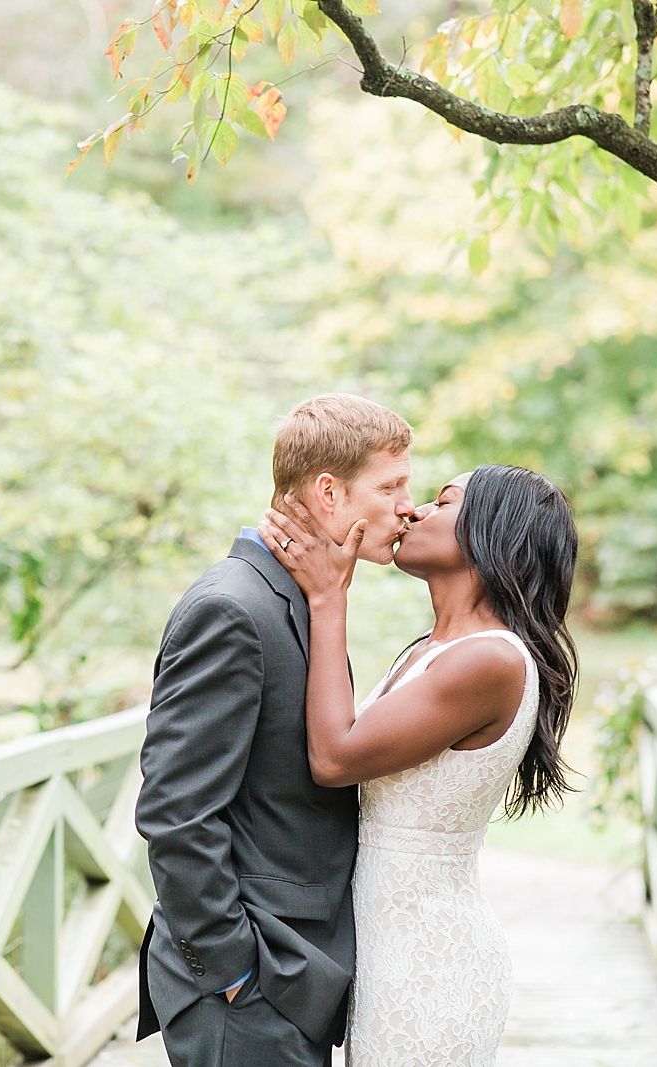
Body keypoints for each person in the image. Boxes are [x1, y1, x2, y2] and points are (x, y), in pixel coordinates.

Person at [256, 464, 579, 1066]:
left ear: (492, 533)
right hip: (382, 952)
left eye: (442, 501)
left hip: (429, 966)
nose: (413, 512)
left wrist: (328, 597)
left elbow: (334, 757)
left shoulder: (488, 661)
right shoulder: (434, 650)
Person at [135, 394, 416, 1067]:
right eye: (390, 485)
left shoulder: (302, 597)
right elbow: (176, 812)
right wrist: (234, 971)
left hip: (292, 977)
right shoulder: (232, 608)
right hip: (249, 987)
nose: (408, 505)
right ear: (328, 492)